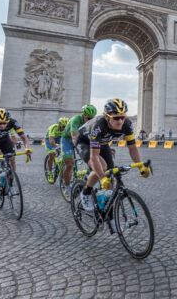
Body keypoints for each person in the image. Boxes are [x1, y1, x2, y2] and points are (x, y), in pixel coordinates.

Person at [75, 99, 150, 232]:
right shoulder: (98, 125)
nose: (120, 121)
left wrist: (141, 167)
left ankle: (110, 217)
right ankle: (86, 192)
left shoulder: (127, 124)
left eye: (122, 117)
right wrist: (102, 177)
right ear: (107, 117)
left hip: (102, 143)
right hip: (85, 142)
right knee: (102, 169)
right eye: (116, 118)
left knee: (111, 184)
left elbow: (132, 148)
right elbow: (94, 156)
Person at [0, 108, 31, 193]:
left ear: (8, 121)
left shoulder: (13, 122)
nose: (2, 125)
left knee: (12, 159)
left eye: (4, 123)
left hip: (4, 139)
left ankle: (11, 185)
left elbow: (24, 137)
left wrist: (27, 148)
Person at [60, 104, 97, 197]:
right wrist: (80, 150)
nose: (90, 121)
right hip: (67, 140)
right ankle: (67, 187)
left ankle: (86, 182)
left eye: (92, 118)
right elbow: (74, 137)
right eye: (88, 118)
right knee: (70, 164)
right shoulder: (76, 119)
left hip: (82, 139)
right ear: (83, 116)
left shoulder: (93, 122)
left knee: (93, 160)